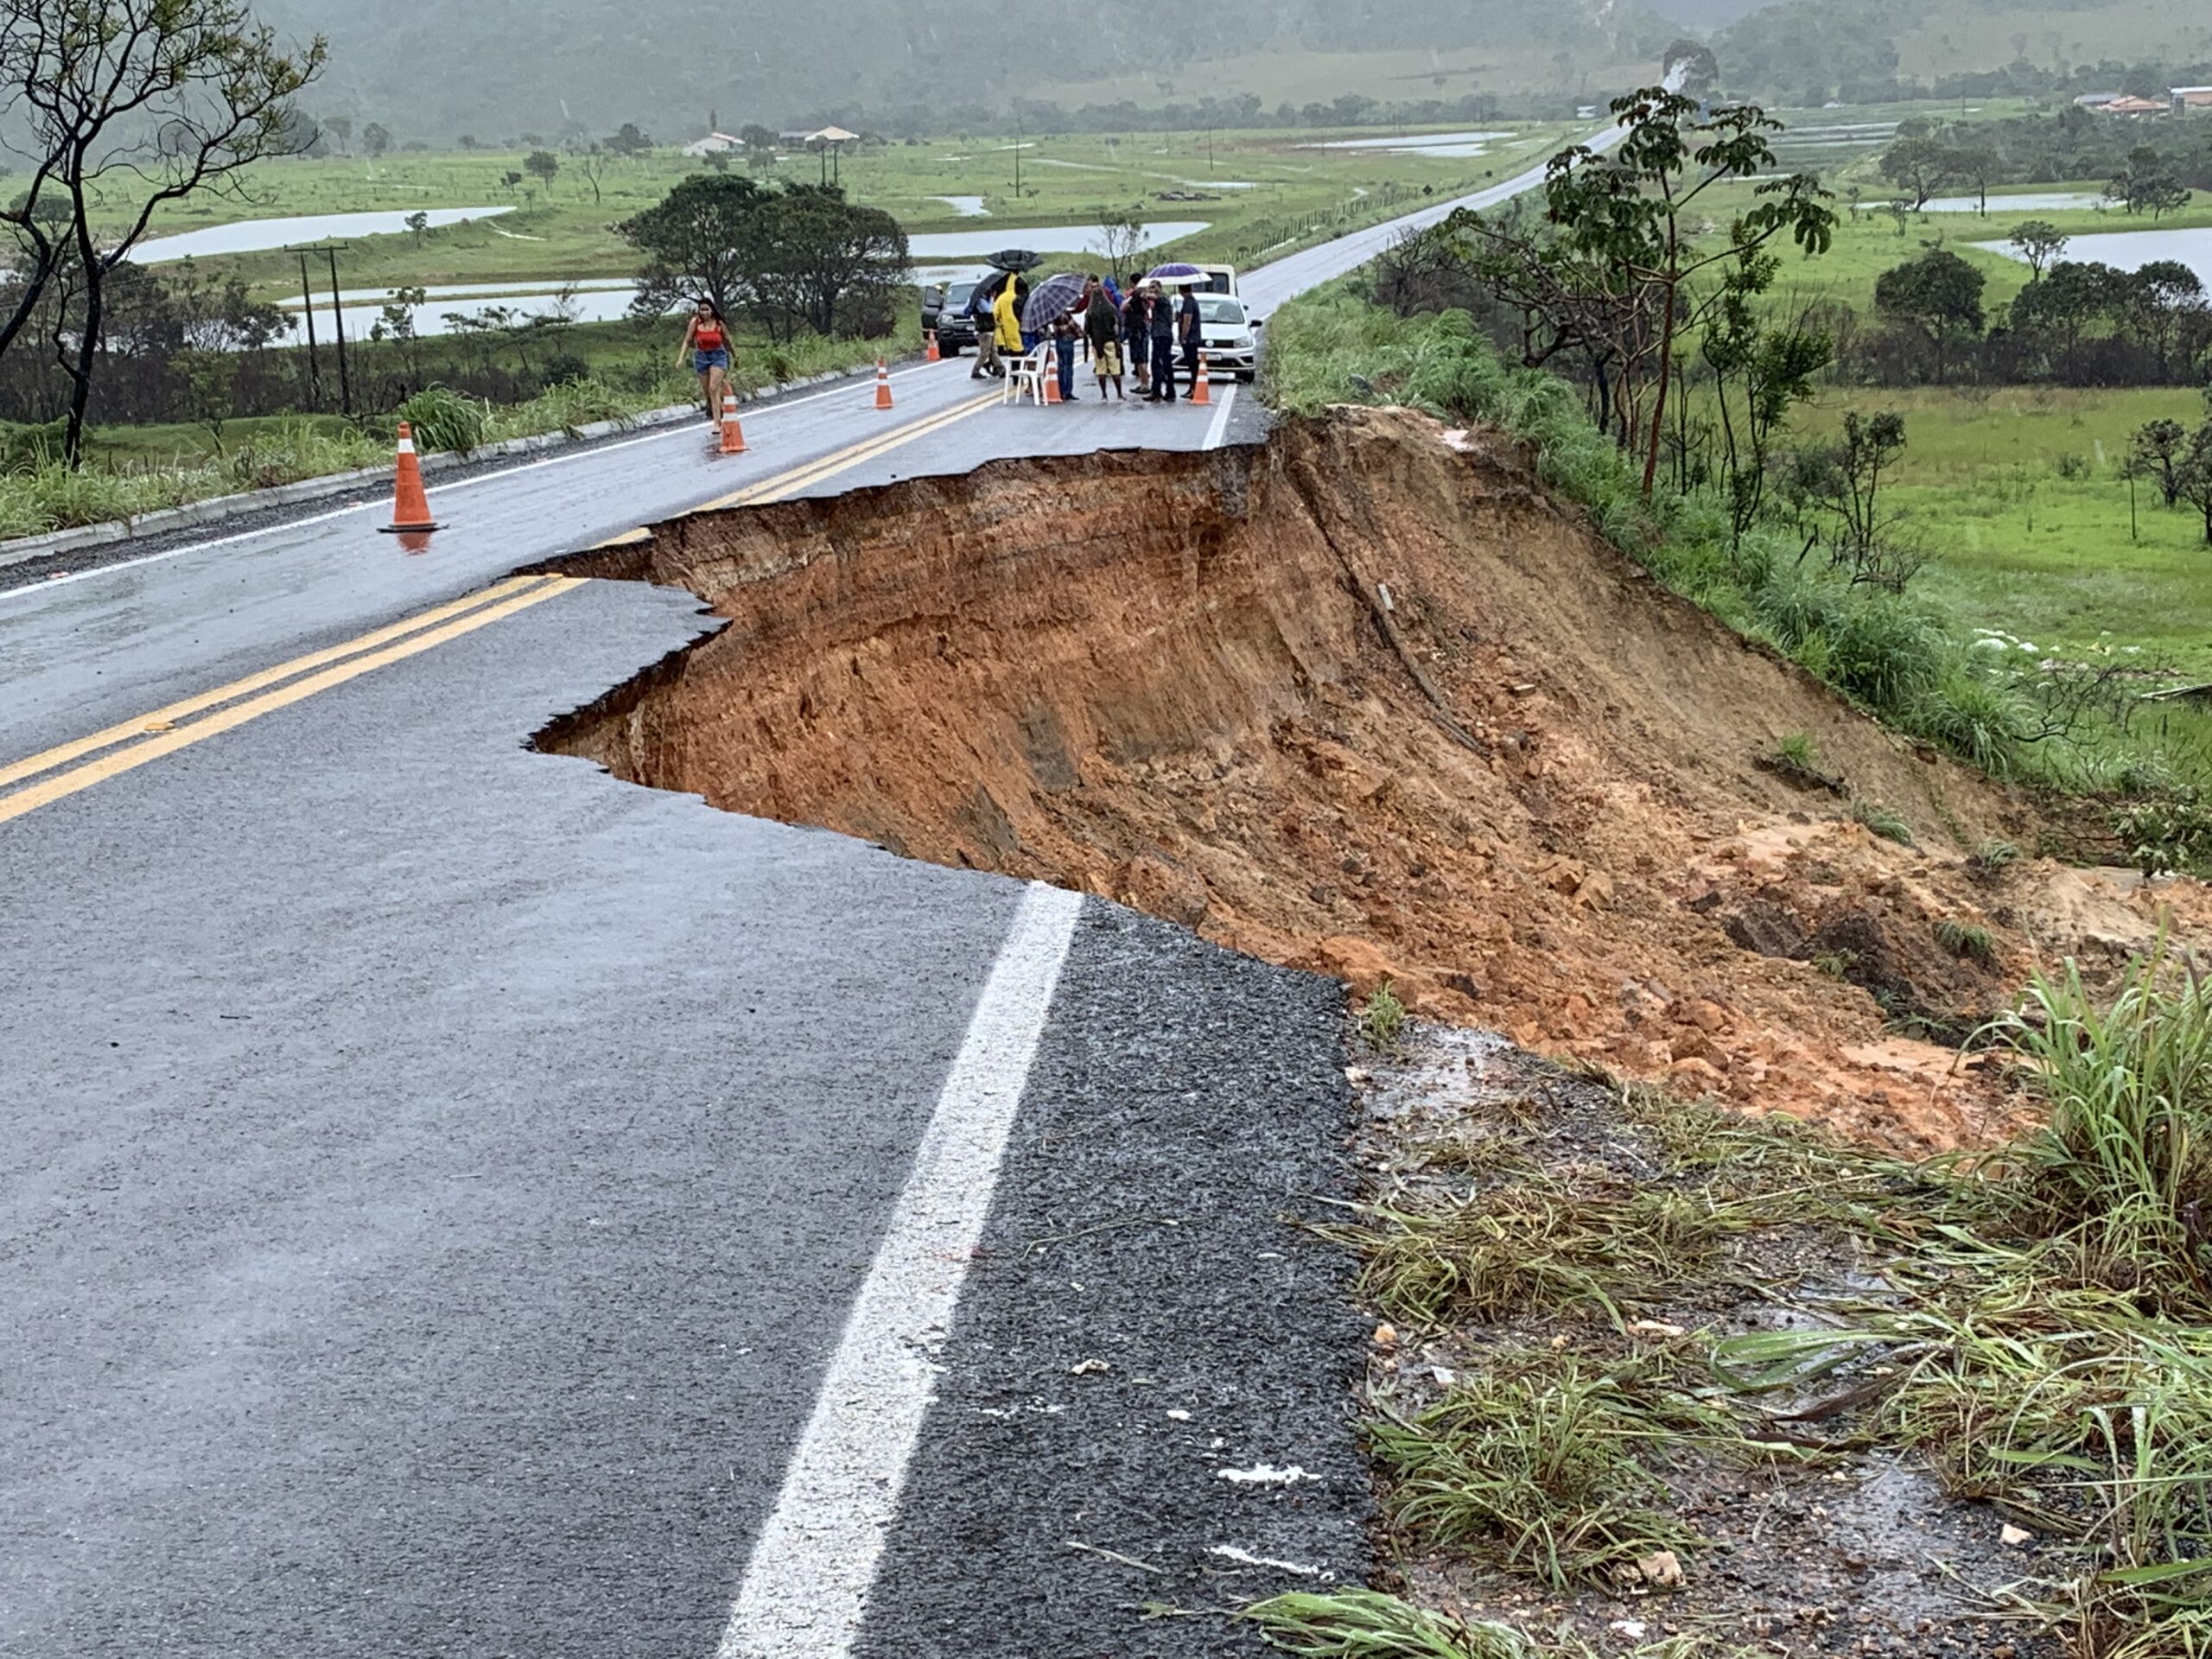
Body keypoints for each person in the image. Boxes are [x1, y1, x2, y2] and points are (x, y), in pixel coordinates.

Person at [678, 299, 734, 423]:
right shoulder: (695, 323)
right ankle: (716, 406)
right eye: (701, 309)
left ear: (712, 310)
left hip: (718, 355)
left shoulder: (719, 323)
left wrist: (735, 356)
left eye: (706, 309)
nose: (704, 312)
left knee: (713, 387)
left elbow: (728, 340)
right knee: (708, 391)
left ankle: (717, 423)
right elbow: (687, 340)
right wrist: (681, 358)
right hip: (702, 357)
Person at [1084, 277, 1123, 401]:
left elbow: (1087, 329)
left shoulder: (1090, 311)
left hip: (1097, 343)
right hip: (1111, 340)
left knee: (1101, 369)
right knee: (1115, 368)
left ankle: (1104, 395)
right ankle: (1119, 394)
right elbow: (1118, 322)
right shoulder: (1111, 308)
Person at [1146, 281, 1178, 402]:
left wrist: (1147, 293)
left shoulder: (1163, 299)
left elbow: (1154, 297)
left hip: (1162, 335)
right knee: (1160, 364)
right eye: (1150, 288)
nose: (1152, 291)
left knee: (1159, 364)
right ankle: (1162, 390)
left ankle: (1160, 391)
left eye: (1154, 288)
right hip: (1159, 334)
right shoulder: (1157, 303)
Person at [1122, 285, 1151, 397]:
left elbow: (1123, 308)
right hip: (1140, 331)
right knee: (1141, 358)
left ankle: (1144, 384)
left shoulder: (1133, 304)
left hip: (1136, 332)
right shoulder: (1144, 307)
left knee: (1139, 359)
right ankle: (1143, 383)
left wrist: (1130, 299)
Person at [969, 282, 1001, 379]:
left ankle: (1000, 369)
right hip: (984, 330)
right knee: (985, 352)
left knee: (993, 351)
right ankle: (975, 370)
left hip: (989, 329)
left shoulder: (984, 299)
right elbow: (989, 310)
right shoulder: (980, 301)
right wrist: (992, 299)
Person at [991, 278, 1025, 369]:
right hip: (1021, 327)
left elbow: (995, 313)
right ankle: (1021, 371)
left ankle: (1014, 374)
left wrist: (998, 322)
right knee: (1022, 352)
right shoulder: (1019, 297)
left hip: (1008, 330)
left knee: (1013, 353)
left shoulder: (1001, 298)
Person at [1049, 309, 1080, 404]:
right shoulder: (1065, 314)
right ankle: (1067, 391)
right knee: (1068, 366)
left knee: (1061, 365)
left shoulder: (1053, 314)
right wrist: (1081, 333)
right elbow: (1073, 326)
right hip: (1067, 341)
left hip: (1059, 341)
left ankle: (1061, 390)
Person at [1178, 283, 1204, 393]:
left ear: (1180, 290)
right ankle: (1192, 388)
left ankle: (1194, 388)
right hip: (1194, 337)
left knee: (1192, 364)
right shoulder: (1191, 301)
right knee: (1192, 364)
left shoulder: (1188, 302)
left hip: (1191, 338)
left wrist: (1183, 336)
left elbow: (1187, 321)